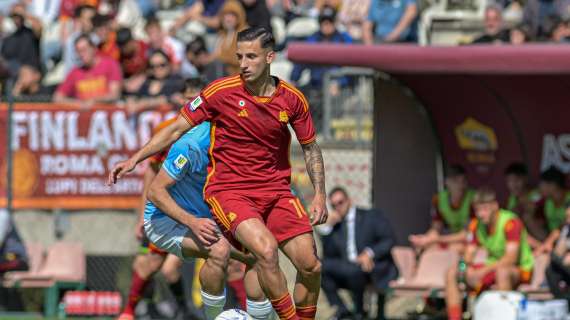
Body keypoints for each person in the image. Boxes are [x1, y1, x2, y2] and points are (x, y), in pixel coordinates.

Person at [109, 26, 327, 320]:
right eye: (240, 57)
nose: (244, 64)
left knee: (310, 265)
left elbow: (311, 148)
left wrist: (320, 196)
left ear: (270, 57)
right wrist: (135, 158)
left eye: (252, 56)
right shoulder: (219, 94)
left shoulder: (292, 99)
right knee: (262, 252)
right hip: (230, 193)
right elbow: (174, 129)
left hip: (276, 191)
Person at [118, 79, 206, 320]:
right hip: (169, 211)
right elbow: (152, 175)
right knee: (149, 265)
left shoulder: (212, 131)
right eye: (187, 98)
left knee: (177, 268)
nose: (191, 104)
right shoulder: (169, 131)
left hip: (202, 210)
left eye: (196, 99)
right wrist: (141, 216)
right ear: (179, 99)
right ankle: (132, 312)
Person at [444, 187, 534, 320]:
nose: (481, 214)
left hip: (520, 269)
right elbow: (468, 255)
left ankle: (503, 316)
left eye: (485, 209)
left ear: (495, 206)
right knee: (452, 272)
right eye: (477, 210)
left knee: (502, 273)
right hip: (492, 268)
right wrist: (464, 268)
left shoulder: (510, 222)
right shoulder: (476, 225)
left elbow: (511, 259)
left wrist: (482, 272)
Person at [318, 187, 397, 320]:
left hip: (371, 268)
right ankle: (342, 309)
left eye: (340, 202)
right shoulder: (337, 226)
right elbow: (329, 254)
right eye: (334, 205)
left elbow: (389, 239)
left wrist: (369, 253)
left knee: (354, 271)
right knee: (318, 266)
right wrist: (328, 227)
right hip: (348, 268)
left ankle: (359, 312)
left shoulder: (370, 216)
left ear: (349, 200)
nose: (338, 207)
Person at [409, 165, 474, 252]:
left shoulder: (473, 199)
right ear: (446, 182)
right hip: (449, 236)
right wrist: (424, 239)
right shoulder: (439, 199)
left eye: (463, 181)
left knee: (458, 248)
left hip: (468, 239)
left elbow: (467, 234)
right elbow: (436, 228)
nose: (460, 185)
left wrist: (437, 239)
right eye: (455, 181)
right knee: (422, 248)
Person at [54, 34, 122, 106]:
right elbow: (57, 98)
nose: (81, 54)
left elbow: (114, 95)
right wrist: (79, 104)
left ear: (94, 48)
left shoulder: (110, 65)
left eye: (84, 50)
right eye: (78, 51)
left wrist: (94, 101)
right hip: (83, 114)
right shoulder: (75, 72)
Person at [124, 50, 185, 115]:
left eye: (162, 65)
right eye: (153, 66)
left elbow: (176, 98)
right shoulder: (148, 82)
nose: (157, 69)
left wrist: (147, 103)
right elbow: (136, 97)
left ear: (169, 64)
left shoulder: (177, 81)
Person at [1, 3, 43, 97]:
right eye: (14, 16)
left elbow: (39, 27)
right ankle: (12, 103)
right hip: (14, 75)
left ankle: (12, 103)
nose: (17, 18)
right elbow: (4, 61)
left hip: (33, 73)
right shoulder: (8, 39)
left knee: (29, 76)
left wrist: (24, 13)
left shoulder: (30, 33)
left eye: (19, 16)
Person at [503, 162, 543, 248]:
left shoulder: (536, 194)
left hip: (541, 235)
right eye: (509, 181)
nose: (513, 185)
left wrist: (522, 201)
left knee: (526, 216)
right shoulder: (512, 198)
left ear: (525, 179)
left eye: (516, 180)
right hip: (524, 237)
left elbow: (533, 211)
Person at [533, 166, 570, 255]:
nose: (540, 188)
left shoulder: (568, 199)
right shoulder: (546, 201)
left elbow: (563, 227)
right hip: (551, 237)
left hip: (565, 239)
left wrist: (547, 243)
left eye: (542, 184)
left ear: (553, 185)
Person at [212, 0, 249, 76]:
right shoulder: (222, 34)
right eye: (226, 15)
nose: (228, 19)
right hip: (223, 74)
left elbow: (240, 59)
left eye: (232, 15)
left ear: (239, 16)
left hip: (239, 76)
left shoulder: (245, 33)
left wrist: (220, 57)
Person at [546, 203, 570, 302]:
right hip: (565, 266)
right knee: (551, 270)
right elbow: (558, 252)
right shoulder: (567, 228)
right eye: (567, 217)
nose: (568, 220)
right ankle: (562, 302)